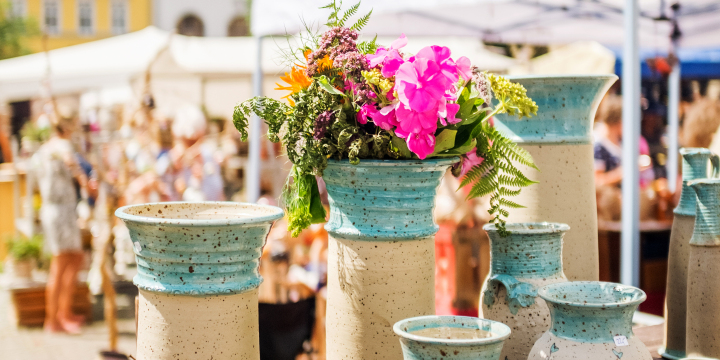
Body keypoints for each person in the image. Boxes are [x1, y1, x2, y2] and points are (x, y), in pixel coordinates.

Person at [35, 116, 87, 334]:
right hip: (60, 211)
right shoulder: (61, 145)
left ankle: (62, 314)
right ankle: (54, 319)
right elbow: (70, 162)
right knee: (62, 263)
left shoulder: (43, 149)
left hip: (56, 210)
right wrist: (84, 180)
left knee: (74, 258)